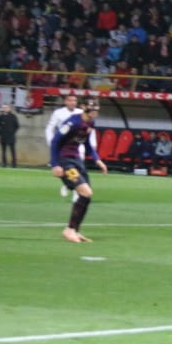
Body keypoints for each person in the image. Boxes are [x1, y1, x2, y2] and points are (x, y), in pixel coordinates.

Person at [48, 102, 107, 243]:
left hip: (77, 161)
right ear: (85, 107)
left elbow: (86, 143)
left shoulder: (91, 123)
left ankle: (74, 230)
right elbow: (55, 141)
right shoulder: (73, 122)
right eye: (94, 108)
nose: (96, 111)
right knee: (86, 192)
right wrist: (55, 164)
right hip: (66, 162)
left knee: (86, 196)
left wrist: (97, 160)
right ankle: (69, 230)